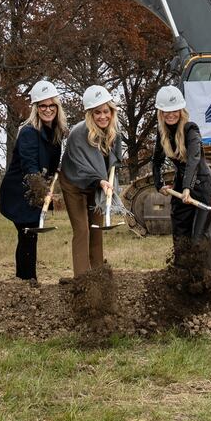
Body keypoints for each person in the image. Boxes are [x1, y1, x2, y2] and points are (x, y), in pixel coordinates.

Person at [0, 79, 67, 281]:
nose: (47, 109)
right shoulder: (29, 132)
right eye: (42, 106)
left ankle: (27, 279)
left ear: (57, 107)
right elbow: (29, 166)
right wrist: (41, 189)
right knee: (27, 234)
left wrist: (55, 176)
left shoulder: (55, 133)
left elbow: (52, 166)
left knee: (30, 236)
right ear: (36, 108)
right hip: (20, 192)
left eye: (51, 105)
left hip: (36, 191)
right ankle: (26, 280)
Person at [58, 84, 127, 277]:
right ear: (90, 114)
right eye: (97, 112)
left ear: (111, 111)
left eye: (106, 111)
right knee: (82, 230)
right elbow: (81, 167)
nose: (103, 116)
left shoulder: (115, 130)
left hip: (98, 185)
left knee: (96, 229)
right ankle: (83, 279)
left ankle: (98, 276)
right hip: (74, 183)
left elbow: (115, 160)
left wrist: (109, 180)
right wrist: (100, 181)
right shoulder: (79, 133)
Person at [151, 84, 211, 271]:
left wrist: (188, 189)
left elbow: (194, 160)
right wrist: (160, 185)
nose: (171, 115)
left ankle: (205, 280)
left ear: (181, 110)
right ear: (161, 113)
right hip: (181, 186)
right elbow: (156, 161)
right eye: (166, 111)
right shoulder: (162, 132)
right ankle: (181, 278)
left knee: (200, 238)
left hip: (202, 186)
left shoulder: (191, 129)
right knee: (181, 236)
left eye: (174, 110)